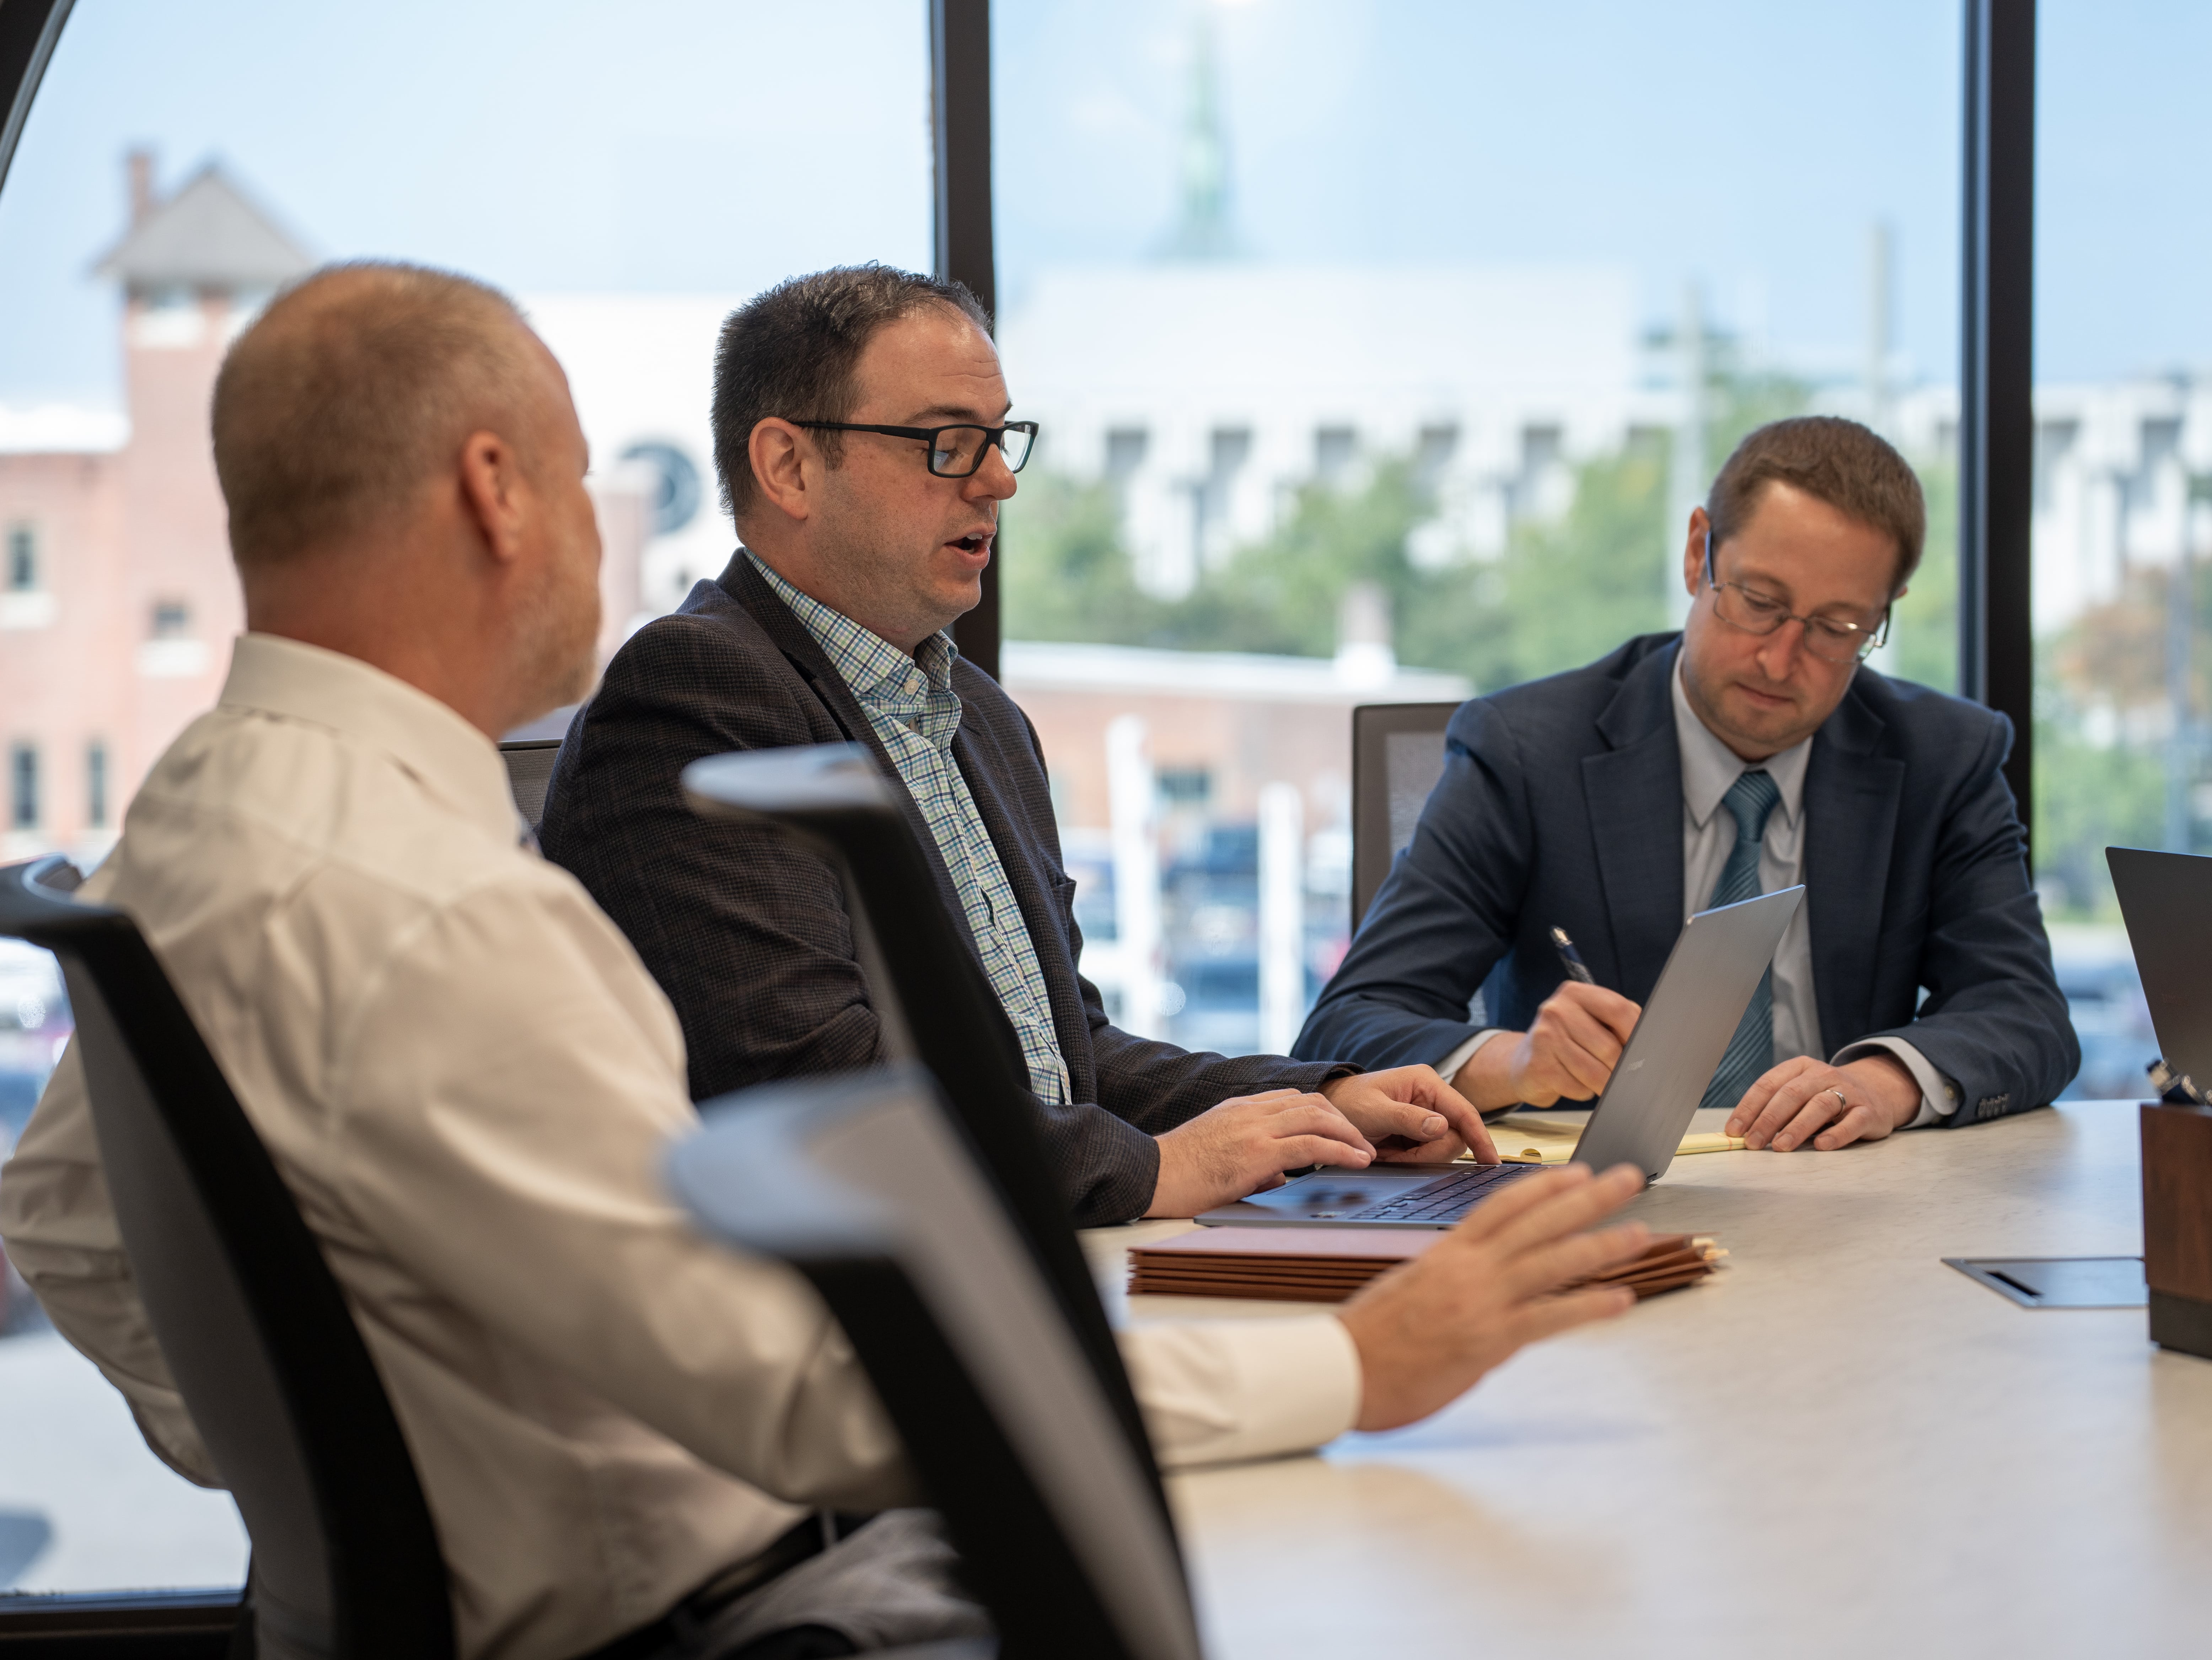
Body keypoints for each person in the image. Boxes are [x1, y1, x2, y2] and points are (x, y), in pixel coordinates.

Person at [0, 263, 1654, 1660]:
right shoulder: (438, 907)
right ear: (497, 491)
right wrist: (1358, 1358)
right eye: (581, 479)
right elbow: (814, 1382)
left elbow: (60, 1217)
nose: (596, 533)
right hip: (731, 1596)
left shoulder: (196, 816)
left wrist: (348, 1499)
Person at [537, 265, 1492, 1228]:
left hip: (1026, 1248)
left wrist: (1316, 1104)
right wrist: (1156, 1168)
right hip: (870, 1291)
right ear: (788, 467)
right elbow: (820, 1091)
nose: (1000, 480)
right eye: (949, 443)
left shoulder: (982, 718)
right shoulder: (696, 693)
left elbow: (1070, 1061)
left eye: (999, 439)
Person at [1297, 416, 2078, 1152]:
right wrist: (1519, 1061)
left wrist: (1884, 1082)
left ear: (1884, 611)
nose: (1780, 659)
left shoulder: (1945, 758)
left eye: (1836, 627)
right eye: (1759, 602)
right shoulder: (1527, 751)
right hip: (1598, 1200)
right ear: (1699, 551)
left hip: (1842, 1188)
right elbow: (1350, 1024)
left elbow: (2025, 1014)